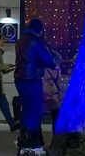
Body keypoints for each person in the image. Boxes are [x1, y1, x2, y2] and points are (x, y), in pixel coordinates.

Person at [14, 18, 56, 155]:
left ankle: (25, 141)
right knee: (35, 111)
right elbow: (49, 61)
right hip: (32, 80)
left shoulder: (21, 40)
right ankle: (29, 142)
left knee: (26, 110)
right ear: (40, 31)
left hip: (20, 79)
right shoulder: (36, 42)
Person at [41, 49, 63, 136]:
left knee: (38, 116)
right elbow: (59, 83)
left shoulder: (41, 67)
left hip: (43, 91)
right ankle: (56, 137)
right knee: (55, 116)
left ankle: (39, 139)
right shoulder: (57, 68)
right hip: (54, 93)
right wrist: (61, 95)